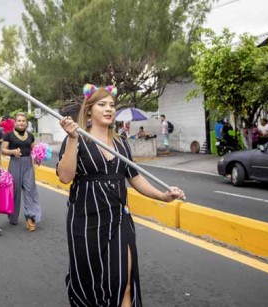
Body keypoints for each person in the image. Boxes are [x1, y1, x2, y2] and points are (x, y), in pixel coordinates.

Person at [57, 84, 185, 307]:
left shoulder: (121, 143)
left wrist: (163, 196)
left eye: (112, 105)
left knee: (123, 281)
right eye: (102, 104)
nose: (109, 109)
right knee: (89, 283)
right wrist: (72, 139)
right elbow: (65, 177)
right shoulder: (77, 140)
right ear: (89, 110)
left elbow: (135, 177)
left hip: (119, 218)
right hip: (86, 220)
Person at [1, 112, 41, 231]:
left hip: (28, 164)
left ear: (26, 123)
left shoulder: (30, 135)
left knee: (30, 190)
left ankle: (30, 217)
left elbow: (35, 149)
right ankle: (13, 216)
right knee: (15, 191)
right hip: (15, 164)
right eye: (19, 120)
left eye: (23, 121)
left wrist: (38, 158)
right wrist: (12, 152)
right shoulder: (8, 135)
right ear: (15, 122)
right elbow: (3, 149)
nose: (21, 123)